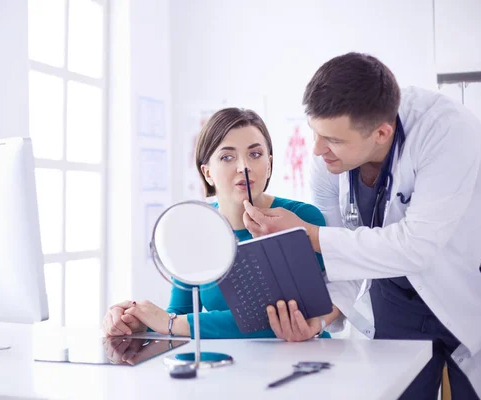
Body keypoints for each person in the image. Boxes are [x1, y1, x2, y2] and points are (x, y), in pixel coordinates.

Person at [242, 52, 481, 399]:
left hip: (461, 292)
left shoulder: (446, 131)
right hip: (393, 301)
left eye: (333, 140)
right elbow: (349, 255)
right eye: (315, 132)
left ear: (381, 133)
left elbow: (416, 247)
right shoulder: (327, 158)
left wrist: (306, 235)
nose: (317, 150)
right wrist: (322, 317)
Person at [102, 107, 339, 351]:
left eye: (255, 154)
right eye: (227, 157)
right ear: (207, 173)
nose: (243, 167)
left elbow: (281, 318)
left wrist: (168, 323)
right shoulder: (194, 231)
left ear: (269, 165)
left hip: (306, 361)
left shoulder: (302, 219)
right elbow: (180, 314)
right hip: (230, 368)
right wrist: (139, 322)